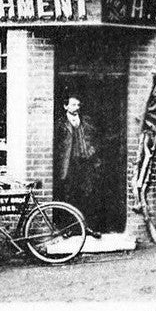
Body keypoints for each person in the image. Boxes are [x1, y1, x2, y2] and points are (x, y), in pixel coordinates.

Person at [57, 96, 101, 237]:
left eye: (78, 104)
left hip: (86, 164)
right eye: (73, 105)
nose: (77, 107)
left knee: (87, 195)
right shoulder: (60, 123)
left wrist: (92, 150)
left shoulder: (86, 121)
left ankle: (87, 227)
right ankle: (69, 229)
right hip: (69, 165)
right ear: (66, 107)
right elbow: (57, 146)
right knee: (69, 196)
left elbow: (96, 138)